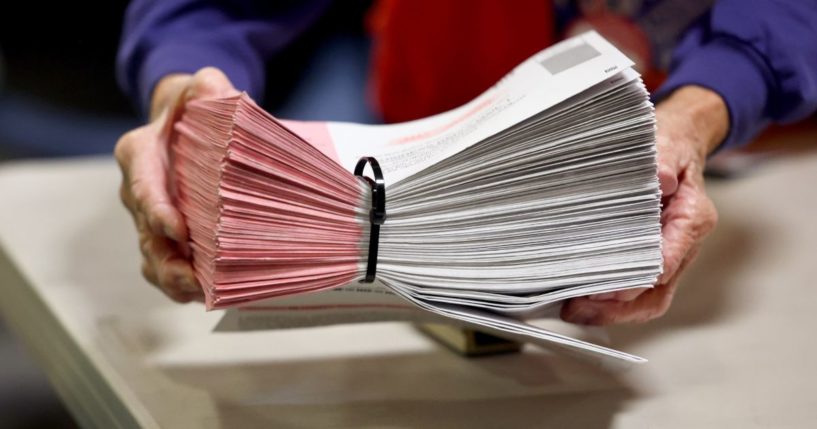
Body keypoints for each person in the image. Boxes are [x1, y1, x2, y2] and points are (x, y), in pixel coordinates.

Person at [114, 0, 817, 325]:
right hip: (431, 183)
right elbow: (200, 10)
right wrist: (182, 95)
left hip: (757, 174)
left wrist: (708, 107)